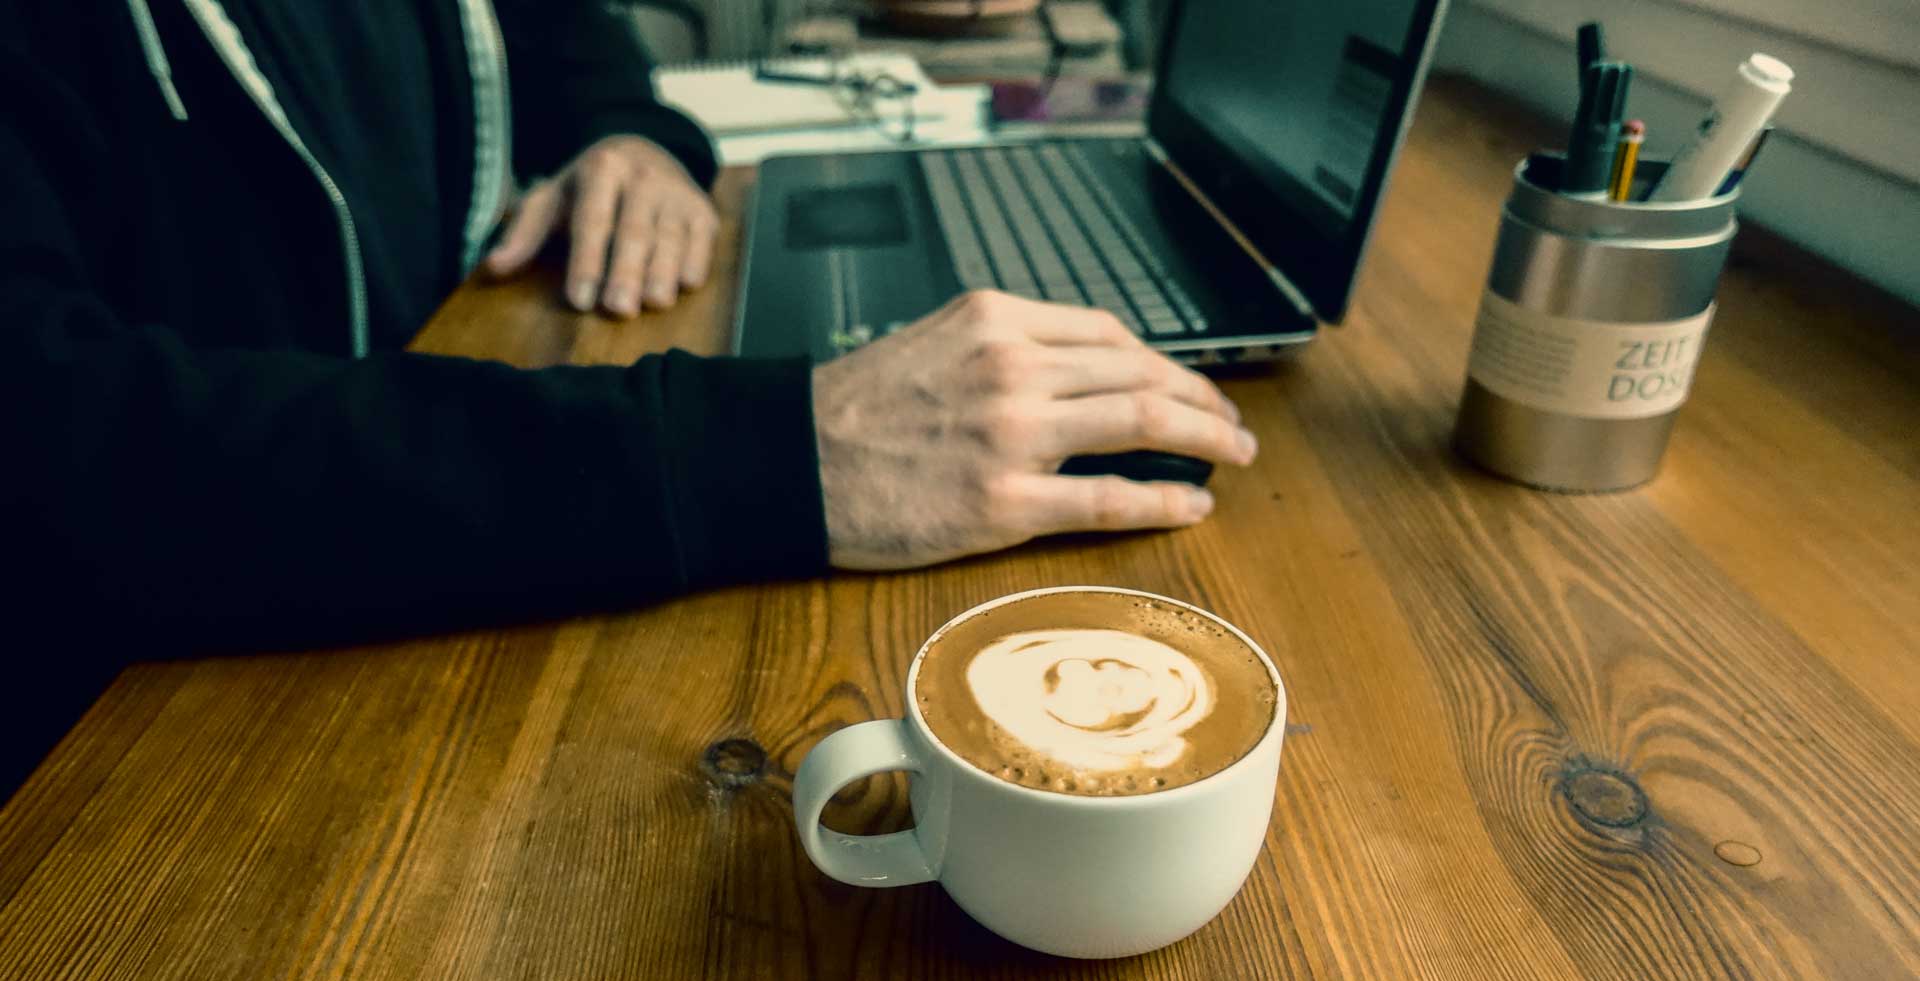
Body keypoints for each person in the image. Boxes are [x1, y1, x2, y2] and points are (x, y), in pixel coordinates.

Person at [0, 0, 1252, 799]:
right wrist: (775, 451)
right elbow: (64, 457)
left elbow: (557, 29)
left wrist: (635, 134)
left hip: (418, 535)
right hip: (127, 764)